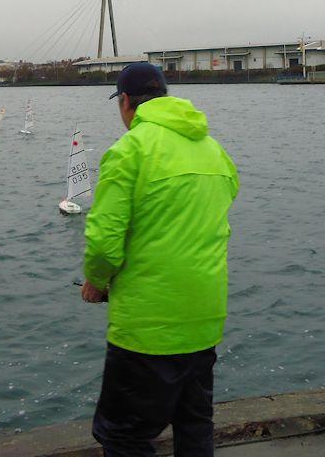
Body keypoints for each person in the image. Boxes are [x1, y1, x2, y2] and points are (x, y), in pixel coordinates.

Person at [82, 63, 239, 456]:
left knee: (121, 435)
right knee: (195, 425)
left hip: (148, 327)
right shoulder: (213, 149)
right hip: (204, 318)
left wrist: (96, 282)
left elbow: (104, 243)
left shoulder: (129, 151)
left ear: (125, 103)